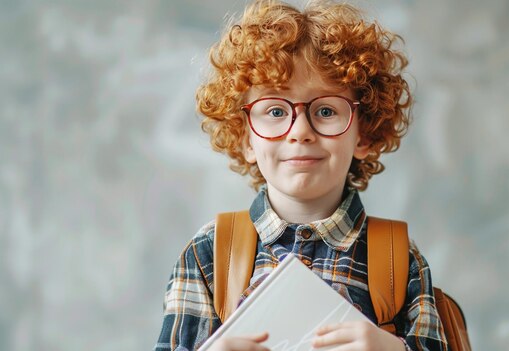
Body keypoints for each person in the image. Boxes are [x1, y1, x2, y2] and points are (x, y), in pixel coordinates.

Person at [155, 0, 447, 350]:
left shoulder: (398, 260)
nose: (300, 131)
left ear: (365, 134)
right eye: (275, 110)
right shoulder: (209, 255)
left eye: (325, 110)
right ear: (245, 137)